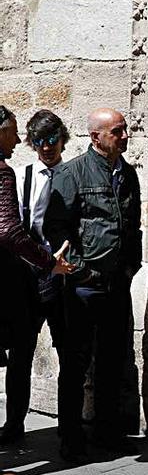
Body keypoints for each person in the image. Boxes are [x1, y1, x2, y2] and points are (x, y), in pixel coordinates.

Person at [44, 108, 142, 463]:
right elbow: (56, 228)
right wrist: (81, 271)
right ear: (96, 137)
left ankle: (107, 430)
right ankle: (71, 437)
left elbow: (133, 226)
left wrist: (131, 265)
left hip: (117, 283)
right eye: (117, 131)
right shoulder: (72, 173)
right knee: (75, 363)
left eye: (125, 129)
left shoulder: (127, 175)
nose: (125, 136)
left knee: (113, 360)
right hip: (85, 286)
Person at [0, 110, 71, 445]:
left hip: (62, 276)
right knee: (21, 352)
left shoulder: (72, 175)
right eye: (38, 141)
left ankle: (70, 431)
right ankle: (14, 424)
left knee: (69, 352)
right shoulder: (21, 175)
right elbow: (14, 230)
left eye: (52, 140)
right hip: (27, 277)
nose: (46, 148)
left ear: (62, 139)